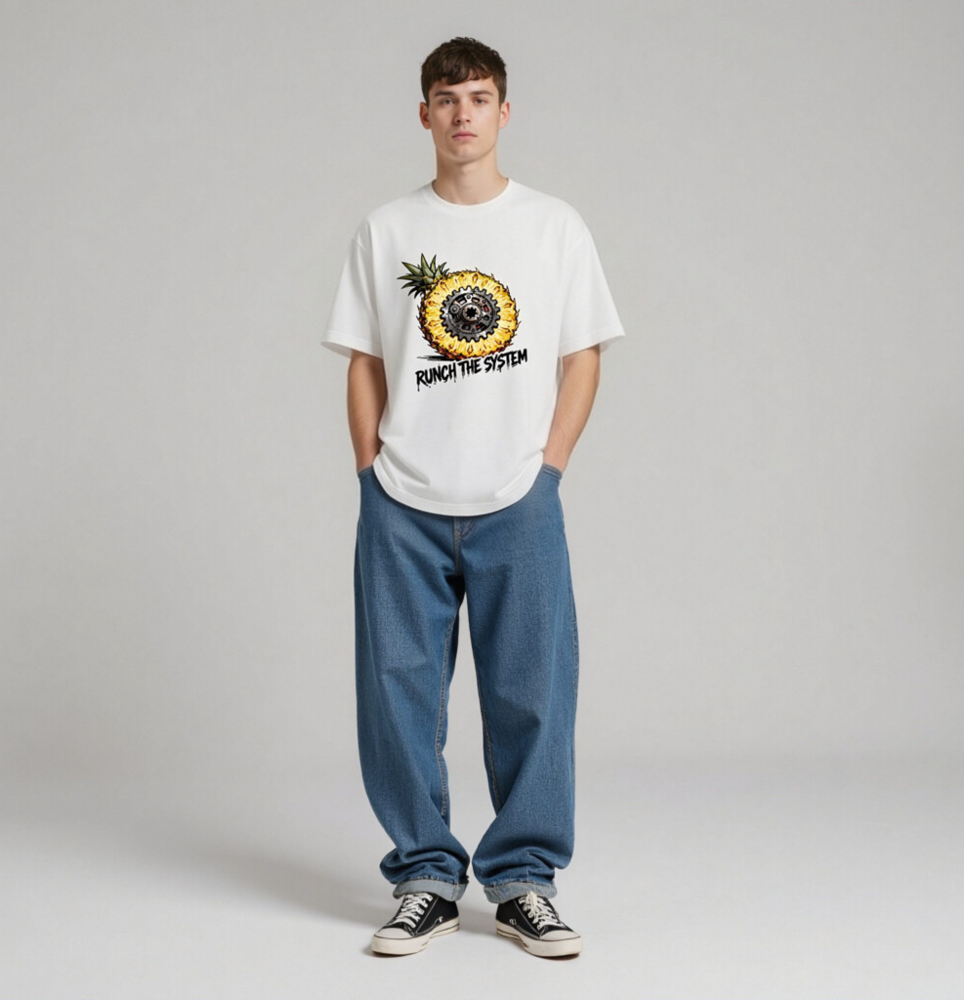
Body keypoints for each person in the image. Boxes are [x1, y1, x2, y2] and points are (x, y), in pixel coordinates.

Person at [321, 36, 625, 959]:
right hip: (403, 501)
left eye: (480, 97)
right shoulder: (386, 230)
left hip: (517, 497)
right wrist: (371, 473)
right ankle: (425, 878)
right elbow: (364, 359)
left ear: (503, 112)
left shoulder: (553, 227)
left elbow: (583, 355)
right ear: (425, 115)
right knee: (397, 693)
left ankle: (525, 880)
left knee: (534, 692)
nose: (463, 114)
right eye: (447, 99)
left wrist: (549, 469)